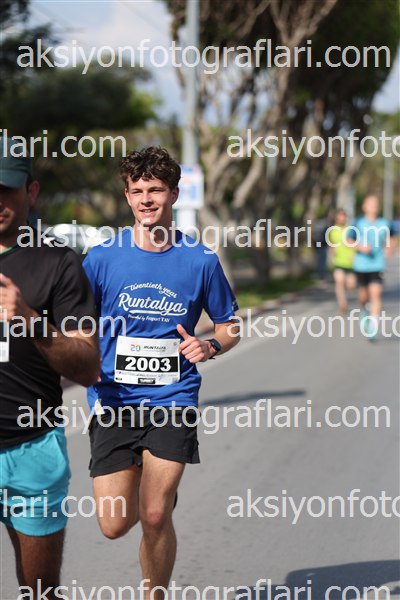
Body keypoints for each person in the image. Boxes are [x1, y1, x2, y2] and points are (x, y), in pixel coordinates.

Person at [83, 146, 240, 597]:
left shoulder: (200, 260)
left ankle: (155, 591)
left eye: (155, 189)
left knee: (153, 516)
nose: (146, 199)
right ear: (127, 196)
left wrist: (209, 345)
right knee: (114, 524)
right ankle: (155, 489)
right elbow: (77, 322)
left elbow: (230, 325)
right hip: (114, 401)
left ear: (173, 193)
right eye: (137, 191)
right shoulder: (102, 257)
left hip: (174, 397)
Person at [0, 137, 100, 599]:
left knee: (39, 591)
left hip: (32, 448)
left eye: (6, 188)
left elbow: (87, 366)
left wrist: (29, 318)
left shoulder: (58, 262)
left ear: (31, 191)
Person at [348, 194, 397, 339]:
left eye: (376, 204)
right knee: (363, 295)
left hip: (377, 264)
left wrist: (390, 249)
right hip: (361, 265)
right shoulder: (358, 223)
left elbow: (392, 238)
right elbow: (348, 240)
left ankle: (372, 328)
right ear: (364, 206)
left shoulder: (384, 223)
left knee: (376, 294)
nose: (373, 206)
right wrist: (360, 247)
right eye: (370, 204)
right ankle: (363, 310)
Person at [327, 208, 356, 314]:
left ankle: (345, 293)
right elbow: (331, 244)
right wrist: (331, 257)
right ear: (336, 218)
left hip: (350, 262)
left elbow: (356, 243)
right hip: (338, 261)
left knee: (351, 285)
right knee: (339, 282)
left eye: (343, 216)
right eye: (339, 216)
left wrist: (355, 255)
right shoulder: (332, 230)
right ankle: (342, 304)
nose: (341, 218)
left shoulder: (351, 229)